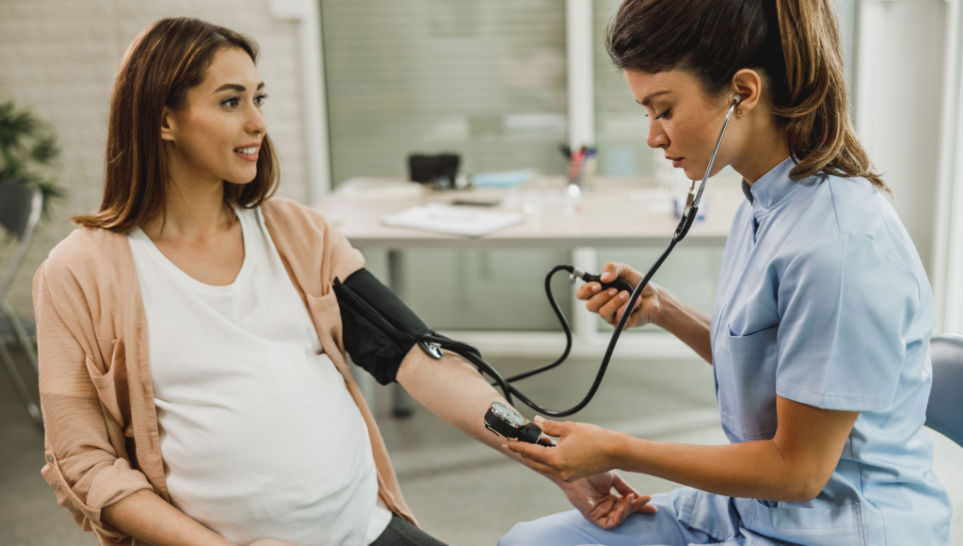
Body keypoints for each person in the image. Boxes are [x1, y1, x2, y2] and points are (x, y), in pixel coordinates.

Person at [32, 17, 655, 546]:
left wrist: (546, 459)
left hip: (366, 528)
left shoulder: (298, 235)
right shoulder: (79, 272)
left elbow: (416, 355)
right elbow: (84, 464)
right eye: (230, 101)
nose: (257, 123)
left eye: (260, 98)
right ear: (163, 120)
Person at [500, 0, 952, 544]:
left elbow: (799, 471)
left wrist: (619, 450)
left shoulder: (839, 246)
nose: (653, 135)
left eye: (663, 109)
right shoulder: (765, 202)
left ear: (743, 93)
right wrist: (663, 309)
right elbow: (773, 367)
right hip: (750, 509)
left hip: (829, 526)